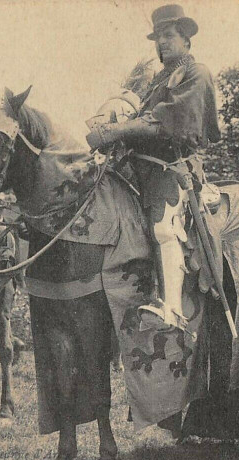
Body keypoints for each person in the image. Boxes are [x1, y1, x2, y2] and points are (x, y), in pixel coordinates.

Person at [86, 4, 220, 333]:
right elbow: (137, 119)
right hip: (140, 166)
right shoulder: (157, 80)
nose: (162, 43)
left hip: (172, 166)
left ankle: (171, 307)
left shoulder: (196, 73)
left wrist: (118, 130)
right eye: (158, 37)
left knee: (163, 225)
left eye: (169, 36)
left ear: (186, 39)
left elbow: (166, 120)